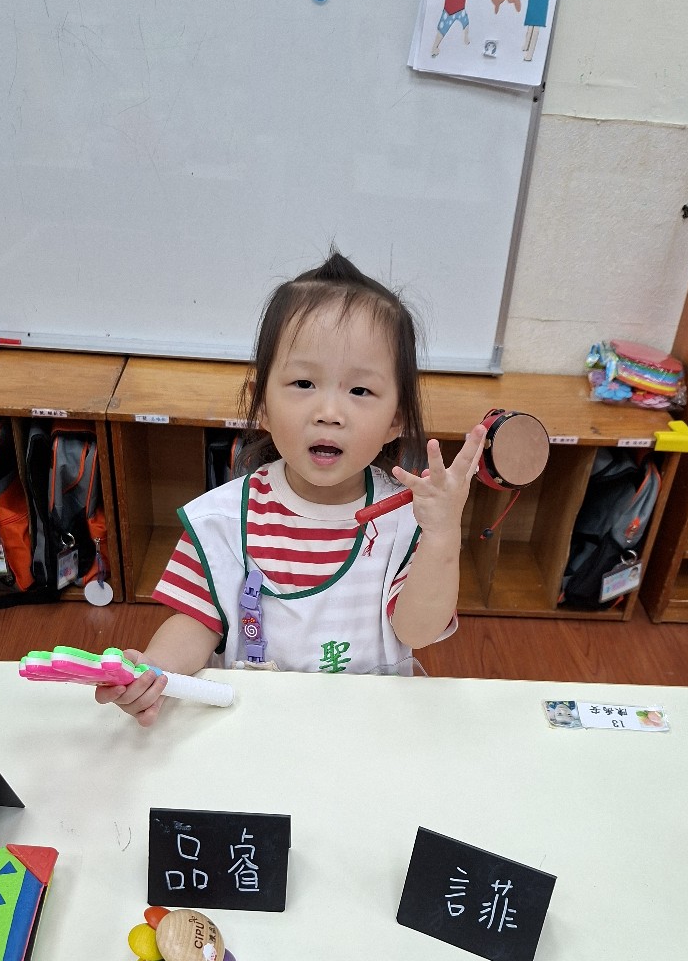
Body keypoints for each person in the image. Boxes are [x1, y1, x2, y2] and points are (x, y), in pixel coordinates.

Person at [99, 252, 486, 726]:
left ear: (396, 420)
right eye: (304, 383)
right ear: (261, 404)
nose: (329, 413)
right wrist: (156, 674)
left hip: (366, 726)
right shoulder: (223, 520)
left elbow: (418, 631)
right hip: (255, 724)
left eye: (359, 391)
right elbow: (196, 620)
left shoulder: (407, 518)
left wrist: (442, 535)